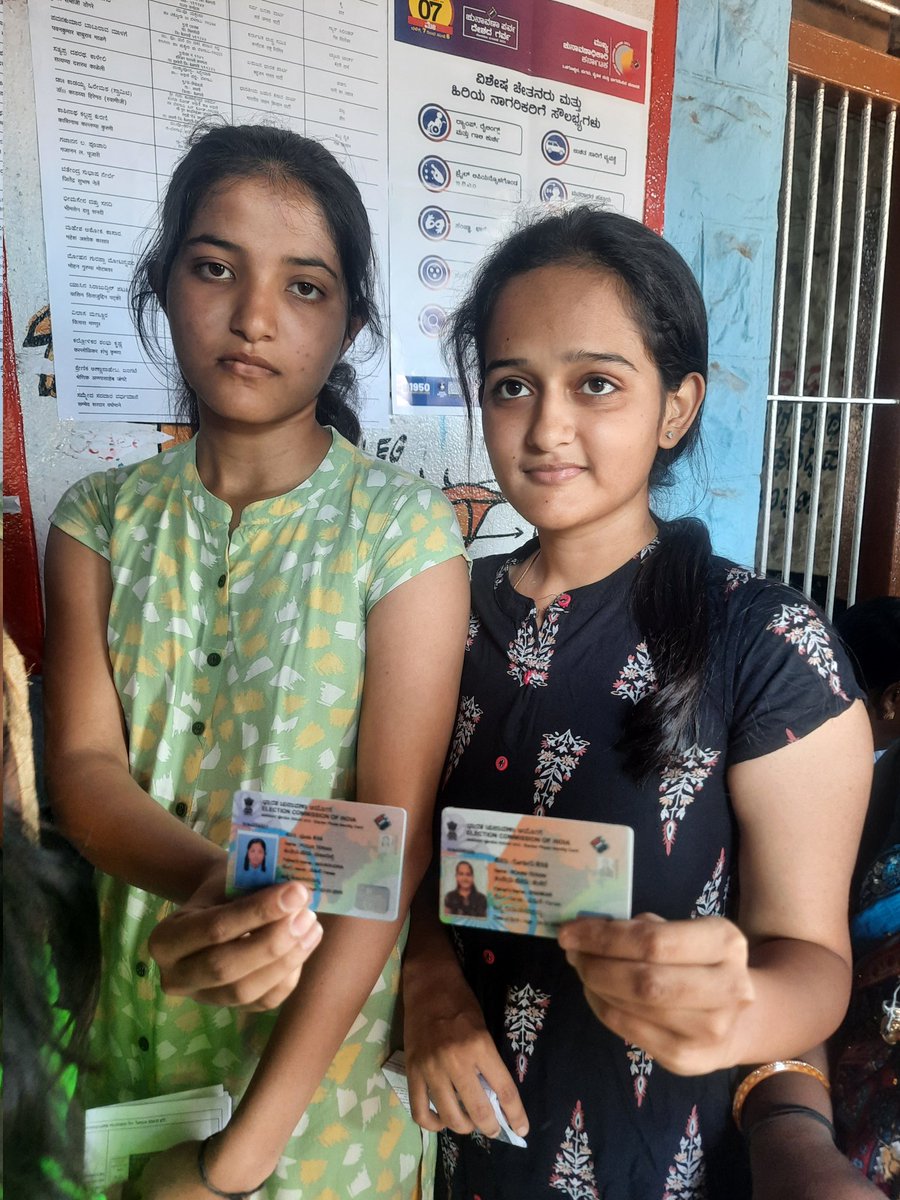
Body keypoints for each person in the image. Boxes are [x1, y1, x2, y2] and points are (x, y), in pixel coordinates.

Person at [401, 206, 873, 1200]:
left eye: (596, 384)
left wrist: (733, 1009)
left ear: (675, 406)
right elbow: (391, 847)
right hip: (422, 1144)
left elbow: (815, 963)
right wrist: (428, 980)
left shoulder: (764, 639)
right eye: (510, 385)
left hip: (652, 1156)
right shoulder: (435, 610)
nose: (545, 426)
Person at [43, 123, 469, 1199]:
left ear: (352, 324)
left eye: (307, 287)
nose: (254, 316)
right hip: (131, 1033)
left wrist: (237, 1164)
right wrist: (213, 887)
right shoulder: (97, 519)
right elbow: (87, 773)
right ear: (164, 281)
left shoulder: (403, 534)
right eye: (215, 267)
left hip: (315, 1089)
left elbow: (393, 844)